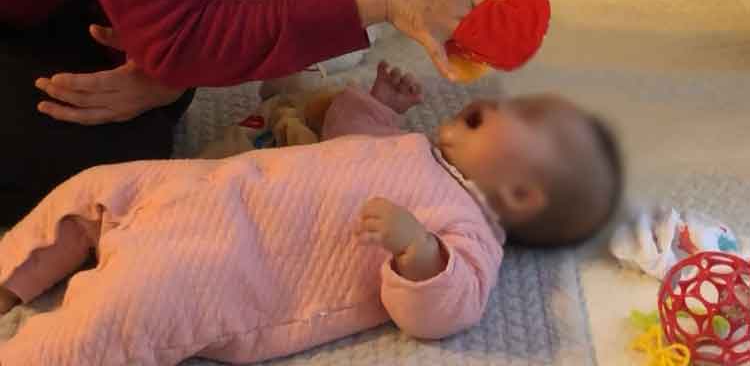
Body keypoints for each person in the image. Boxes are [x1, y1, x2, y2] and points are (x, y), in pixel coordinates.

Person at [0, 62, 623, 365]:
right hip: (206, 189)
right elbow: (345, 137)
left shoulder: (470, 233)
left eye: (528, 116)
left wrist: (418, 251)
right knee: (94, 188)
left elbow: (447, 310)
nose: (504, 103)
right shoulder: (415, 148)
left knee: (115, 320)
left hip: (223, 268)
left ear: (523, 196)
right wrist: (377, 105)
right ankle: (10, 275)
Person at [0, 0, 481, 226]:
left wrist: (168, 59)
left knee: (146, 104)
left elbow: (169, 23)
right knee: (98, 177)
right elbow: (182, 34)